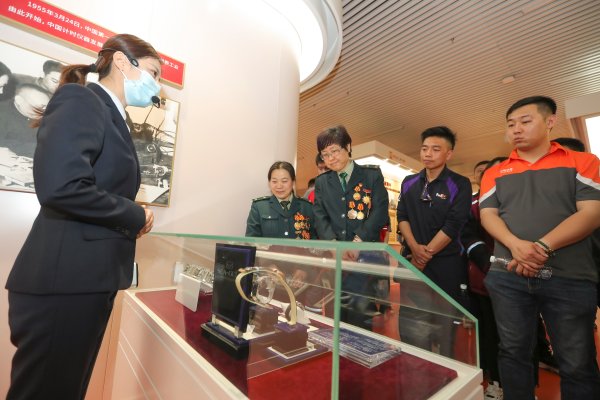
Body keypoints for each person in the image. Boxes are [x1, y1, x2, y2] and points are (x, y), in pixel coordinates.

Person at [5, 33, 160, 400]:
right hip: (65, 283)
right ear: (122, 62)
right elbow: (63, 186)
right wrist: (134, 215)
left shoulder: (112, 116)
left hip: (86, 280)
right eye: (154, 73)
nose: (157, 85)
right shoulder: (82, 99)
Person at [480, 96, 600, 399]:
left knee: (576, 360)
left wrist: (541, 247)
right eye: (510, 124)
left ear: (550, 122)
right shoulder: (495, 172)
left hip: (569, 276)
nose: (516, 129)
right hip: (508, 275)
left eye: (525, 121)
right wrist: (515, 246)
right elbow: (488, 215)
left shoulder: (583, 162)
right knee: (513, 352)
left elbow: (591, 213)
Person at [396, 126, 472, 357]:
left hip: (445, 265)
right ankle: (416, 367)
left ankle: (445, 370)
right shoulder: (409, 182)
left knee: (444, 324)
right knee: (412, 323)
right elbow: (402, 216)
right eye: (424, 148)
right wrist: (414, 248)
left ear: (449, 153)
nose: (428, 154)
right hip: (412, 260)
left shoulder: (460, 183)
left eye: (435, 149)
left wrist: (425, 254)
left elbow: (454, 224)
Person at [313, 125, 389, 328]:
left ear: (348, 147)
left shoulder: (371, 175)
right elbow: (320, 216)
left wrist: (357, 242)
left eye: (335, 151)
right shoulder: (322, 182)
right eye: (325, 154)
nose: (331, 158)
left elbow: (380, 211)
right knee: (334, 317)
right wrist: (334, 246)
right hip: (335, 259)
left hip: (363, 258)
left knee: (360, 316)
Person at [461, 157, 507, 399]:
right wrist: (490, 264)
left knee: (519, 337)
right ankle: (495, 380)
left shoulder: (515, 197)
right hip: (484, 279)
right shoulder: (472, 203)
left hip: (521, 278)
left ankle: (525, 387)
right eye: (482, 171)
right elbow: (467, 235)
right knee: (488, 333)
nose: (486, 174)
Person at [246, 161, 316, 241]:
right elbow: (251, 241)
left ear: (293, 182)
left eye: (284, 181)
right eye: (274, 181)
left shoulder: (307, 207)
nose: (279, 186)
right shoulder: (259, 207)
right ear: (269, 183)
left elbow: (315, 240)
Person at [0, 83, 51, 157]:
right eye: (41, 107)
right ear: (19, 100)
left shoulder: (35, 115)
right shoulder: (2, 113)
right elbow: (3, 145)